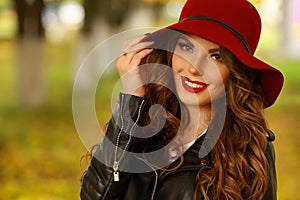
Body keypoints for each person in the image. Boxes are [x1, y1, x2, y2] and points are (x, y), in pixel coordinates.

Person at [80, 0, 284, 199]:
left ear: (236, 71)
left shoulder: (251, 149)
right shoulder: (141, 122)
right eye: (187, 48)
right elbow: (96, 195)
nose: (194, 68)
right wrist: (132, 99)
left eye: (216, 57)